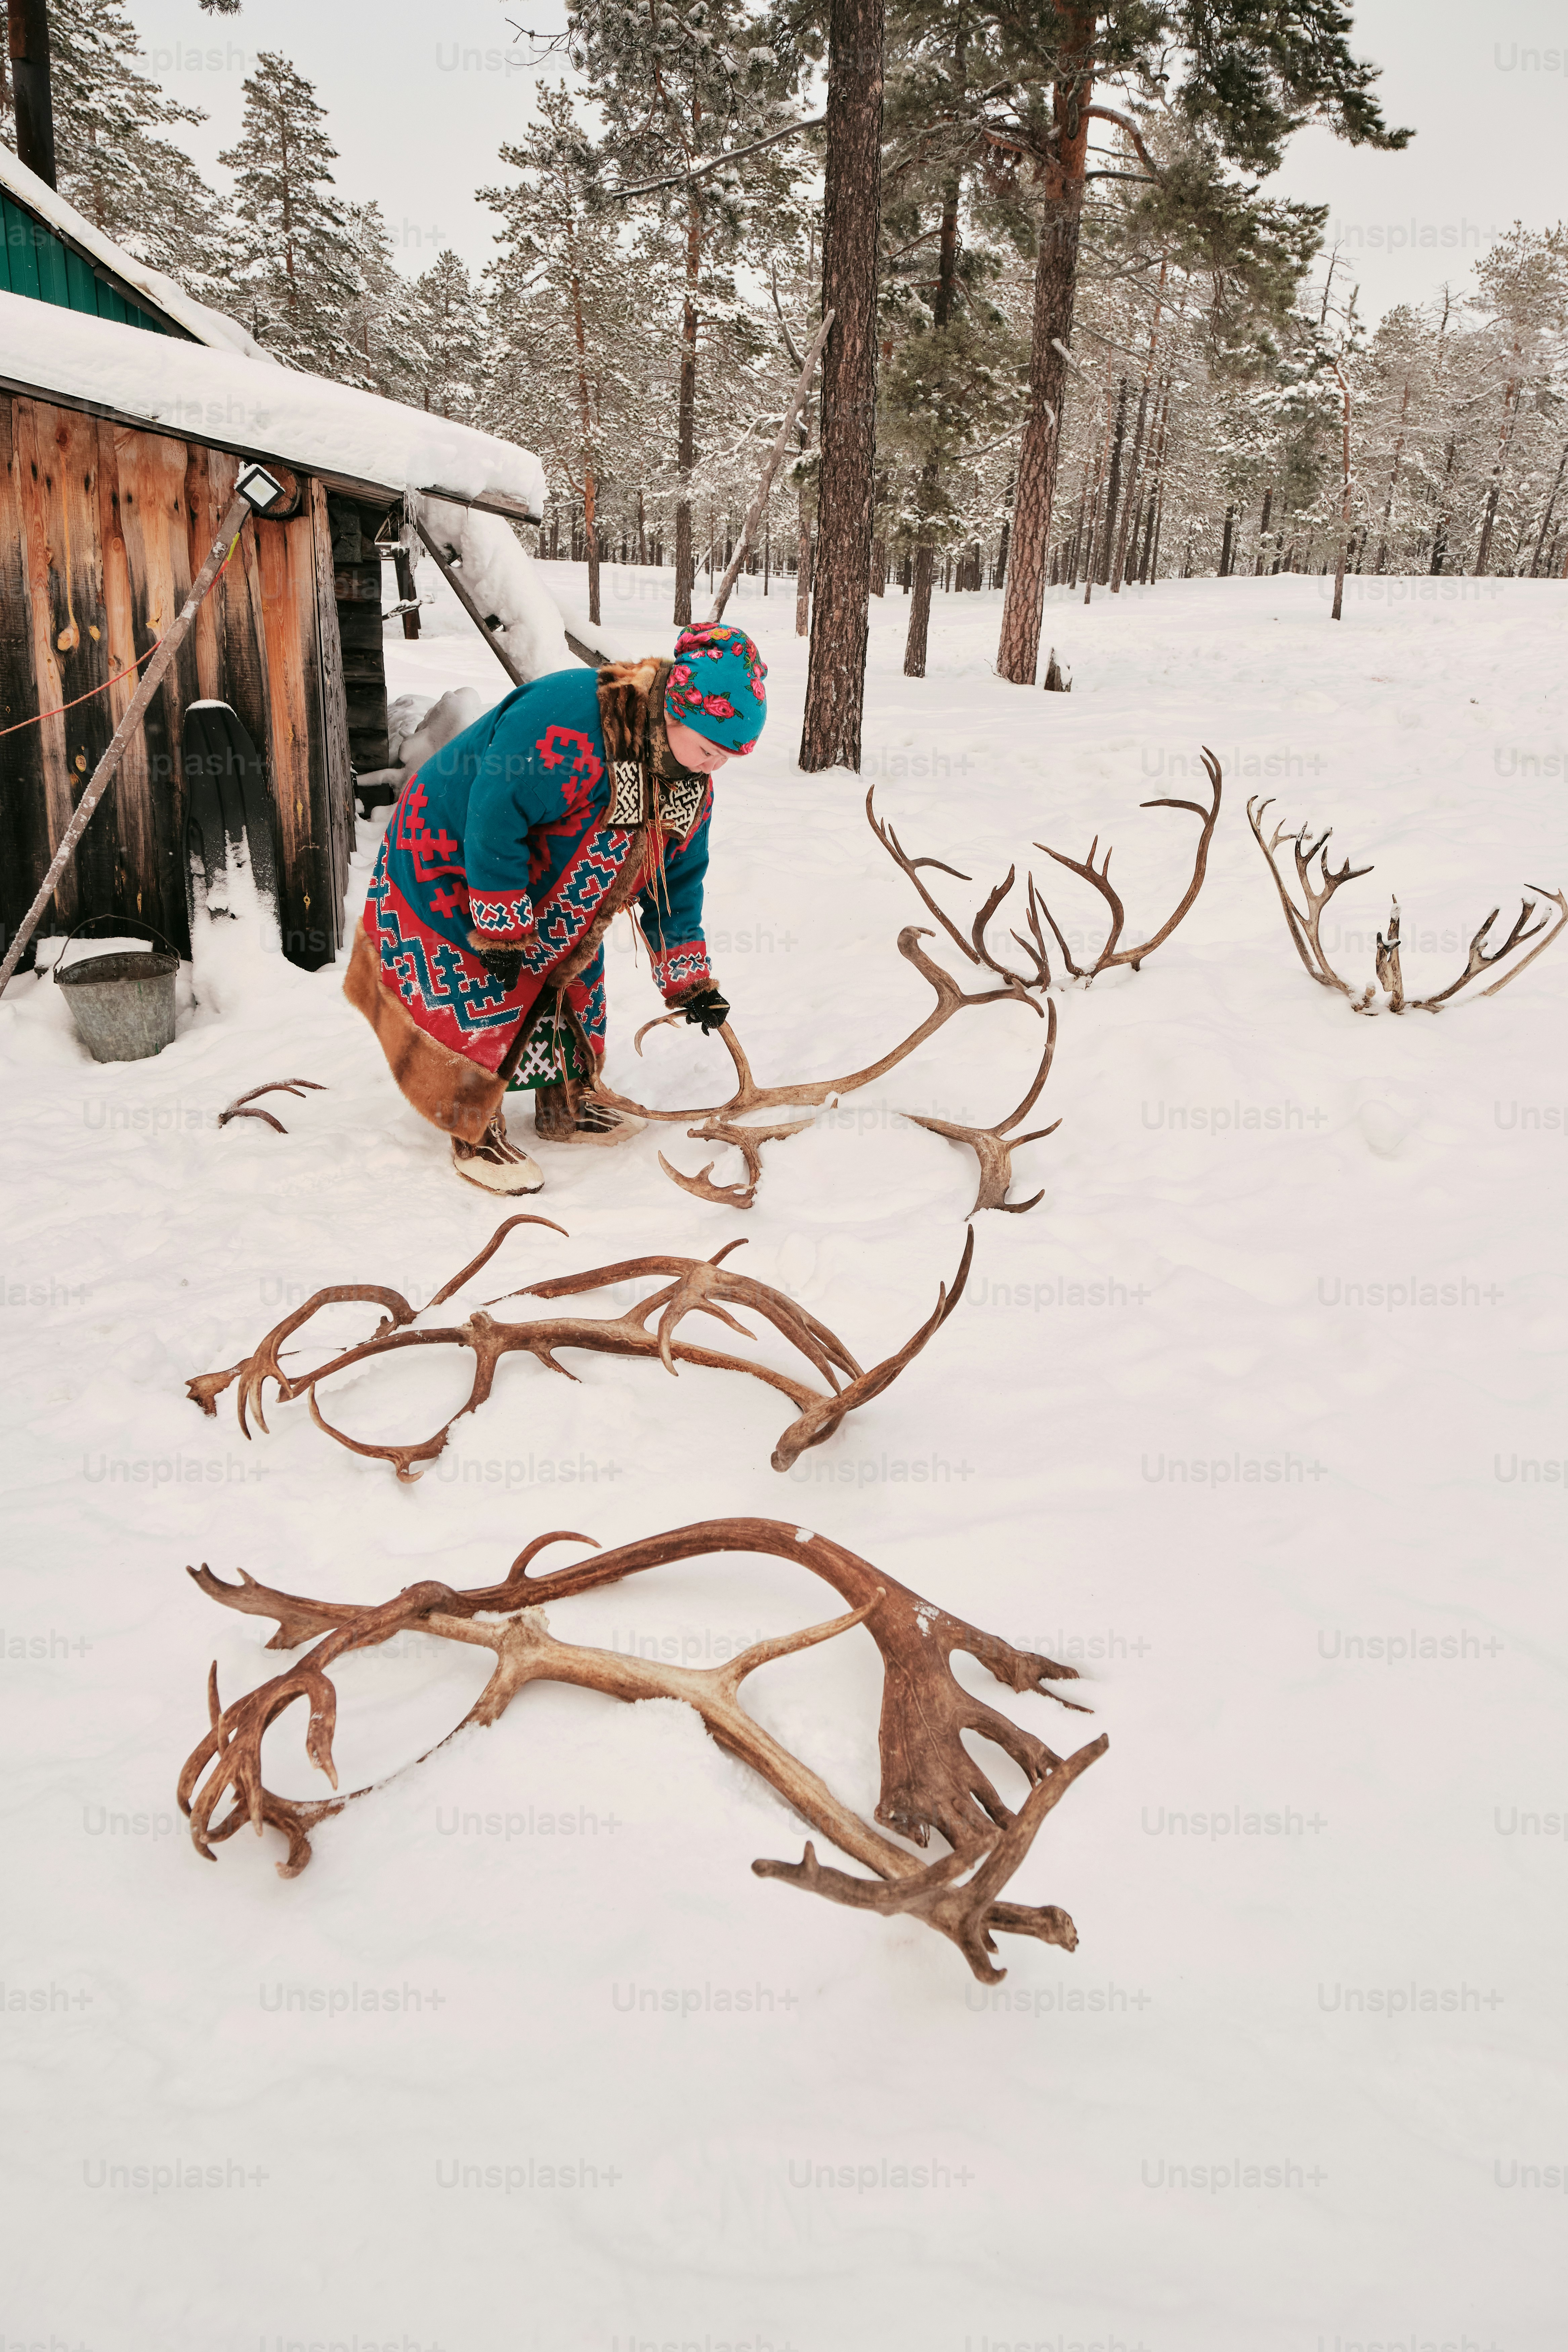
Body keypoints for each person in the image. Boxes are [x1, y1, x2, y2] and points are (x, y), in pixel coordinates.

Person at [345, 622, 767, 1193]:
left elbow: (678, 879)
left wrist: (688, 977)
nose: (714, 767)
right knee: (478, 990)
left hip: (557, 886)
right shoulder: (568, 718)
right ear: (674, 712)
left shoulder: (688, 781)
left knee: (572, 978)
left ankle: (565, 1105)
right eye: (710, 750)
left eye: (727, 759)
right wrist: (499, 926)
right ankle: (472, 1127)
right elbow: (495, 816)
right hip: (451, 853)